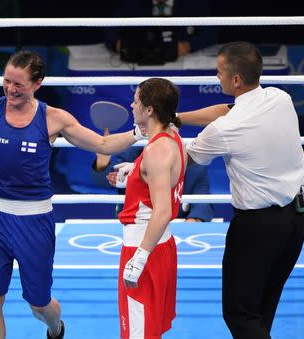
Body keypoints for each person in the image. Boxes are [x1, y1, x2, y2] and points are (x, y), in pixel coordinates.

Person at [0, 29, 145, 339]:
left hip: (35, 221)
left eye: (19, 84)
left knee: (39, 305)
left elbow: (103, 145)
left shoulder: (55, 119)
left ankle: (56, 328)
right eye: (7, 81)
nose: (10, 90)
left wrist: (140, 132)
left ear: (37, 84)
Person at [178, 41, 304, 338]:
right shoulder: (279, 98)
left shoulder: (224, 130)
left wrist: (159, 136)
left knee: (239, 313)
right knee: (261, 310)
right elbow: (225, 110)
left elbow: (181, 162)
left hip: (257, 229)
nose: (217, 77)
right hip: (295, 221)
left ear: (235, 79)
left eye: (220, 72)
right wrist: (179, 119)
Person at [111, 78, 185, 338]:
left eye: (136, 100)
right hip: (161, 246)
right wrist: (134, 175)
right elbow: (161, 183)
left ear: (150, 109)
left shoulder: (156, 151)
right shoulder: (173, 138)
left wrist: (140, 258)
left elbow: (162, 211)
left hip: (144, 247)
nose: (132, 105)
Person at [92, 146, 214, 222]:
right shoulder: (133, 152)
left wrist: (193, 221)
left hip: (173, 227)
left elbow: (202, 200)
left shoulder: (195, 167)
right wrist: (102, 164)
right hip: (135, 223)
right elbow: (109, 179)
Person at [104, 0, 218, 62]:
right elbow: (110, 29)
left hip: (181, 60)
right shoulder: (133, 3)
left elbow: (212, 31)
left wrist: (189, 45)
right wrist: (116, 44)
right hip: (138, 60)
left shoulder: (193, 3)